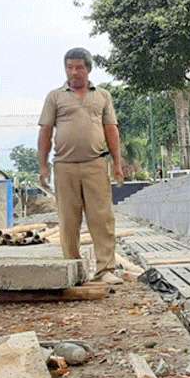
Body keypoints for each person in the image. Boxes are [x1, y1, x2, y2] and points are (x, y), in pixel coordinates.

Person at [38, 47, 125, 285]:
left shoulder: (102, 96)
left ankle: (105, 268)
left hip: (96, 164)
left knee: (102, 218)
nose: (74, 72)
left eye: (78, 67)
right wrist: (43, 166)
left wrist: (117, 164)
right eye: (69, 67)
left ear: (88, 69)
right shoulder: (55, 97)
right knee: (68, 220)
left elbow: (111, 130)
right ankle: (73, 268)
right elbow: (45, 131)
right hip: (64, 166)